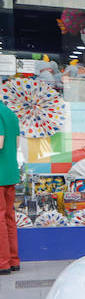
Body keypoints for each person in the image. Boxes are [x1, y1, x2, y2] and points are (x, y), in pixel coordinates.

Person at [0, 100, 20, 274]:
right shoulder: (11, 114)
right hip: (10, 172)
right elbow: (17, 144)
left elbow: (0, 142)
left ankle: (3, 263)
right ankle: (14, 260)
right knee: (9, 218)